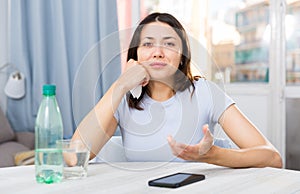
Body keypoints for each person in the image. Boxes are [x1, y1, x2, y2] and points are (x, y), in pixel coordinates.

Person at [72, 12, 282, 168]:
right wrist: (120, 86)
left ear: (182, 56)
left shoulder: (205, 93)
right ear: (135, 55)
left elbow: (273, 158)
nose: (158, 53)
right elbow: (74, 156)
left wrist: (212, 155)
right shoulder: (122, 100)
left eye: (169, 44)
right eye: (148, 44)